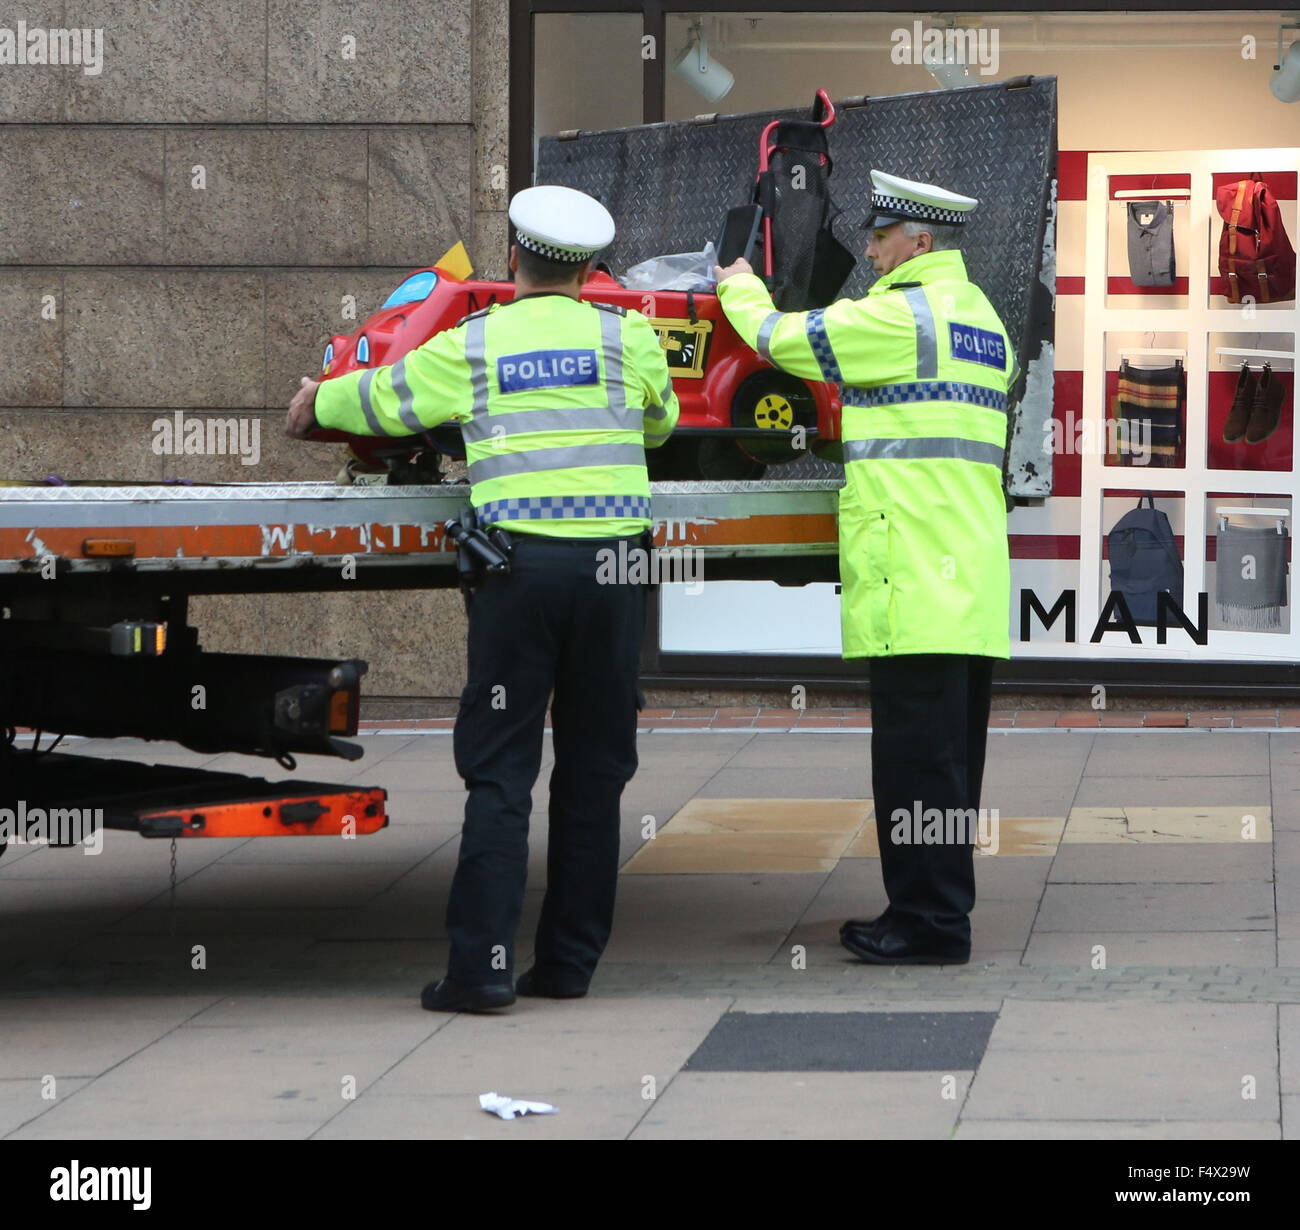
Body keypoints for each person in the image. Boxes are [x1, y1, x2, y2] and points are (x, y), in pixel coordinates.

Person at [286, 185, 679, 1009]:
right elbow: (661, 425)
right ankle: (568, 968)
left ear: (513, 260)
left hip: (518, 576)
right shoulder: (630, 336)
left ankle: (482, 972)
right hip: (613, 577)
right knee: (594, 774)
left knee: (501, 773)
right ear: (591, 271)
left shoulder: (474, 344)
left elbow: (384, 400)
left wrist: (314, 402)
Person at [714, 170, 1013, 965]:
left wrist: (739, 287)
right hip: (967, 577)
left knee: (916, 768)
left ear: (921, 241)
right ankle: (939, 912)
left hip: (912, 574)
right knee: (949, 768)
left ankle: (927, 924)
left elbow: (786, 342)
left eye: (881, 236)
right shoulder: (984, 318)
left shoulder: (901, 316)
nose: (871, 249)